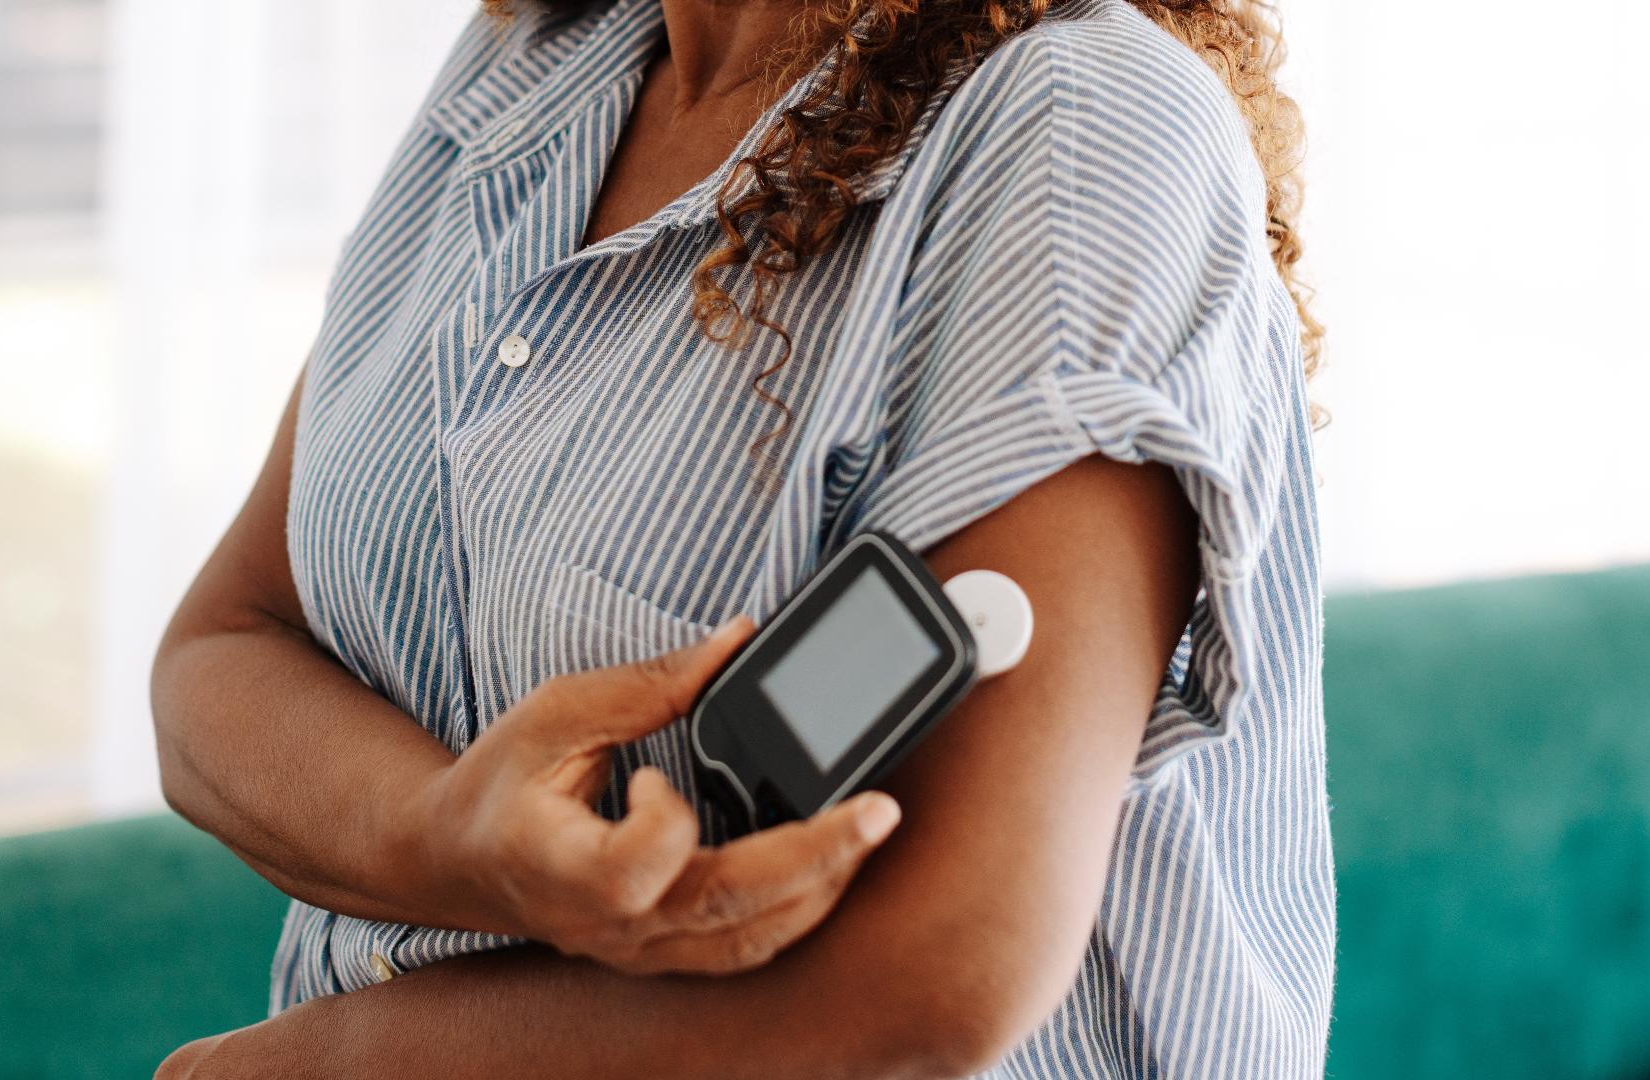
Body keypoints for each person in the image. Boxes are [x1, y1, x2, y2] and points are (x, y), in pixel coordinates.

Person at [151, 0, 1332, 1074]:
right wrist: (447, 835)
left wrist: (315, 1065)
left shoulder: (1081, 127)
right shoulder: (535, 56)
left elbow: (942, 968)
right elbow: (224, 643)